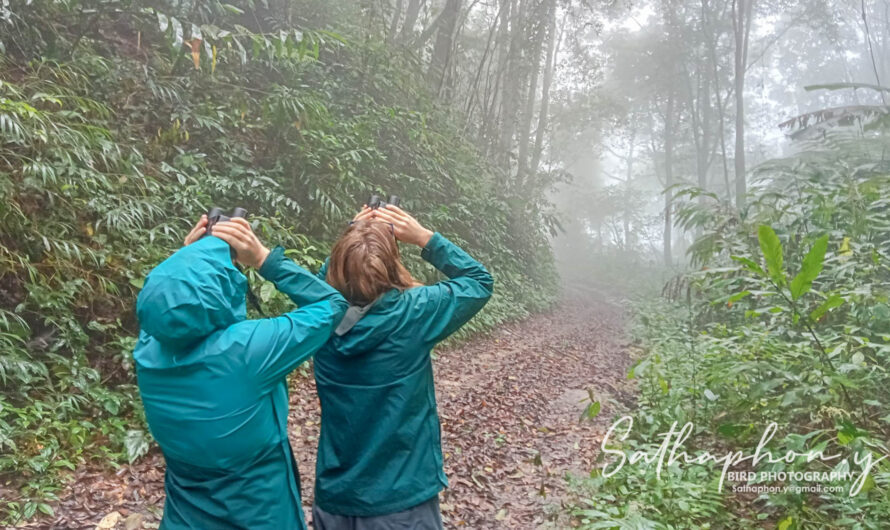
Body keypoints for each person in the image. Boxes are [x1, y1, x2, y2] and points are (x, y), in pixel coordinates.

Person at [133, 216, 347, 530]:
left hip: (184, 519)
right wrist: (263, 258)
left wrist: (189, 257)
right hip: (262, 516)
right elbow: (332, 303)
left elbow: (170, 306)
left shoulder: (148, 349)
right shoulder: (247, 350)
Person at [311, 204, 494, 529]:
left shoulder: (316, 317)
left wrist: (354, 236)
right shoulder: (415, 313)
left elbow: (318, 283)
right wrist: (424, 237)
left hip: (334, 501)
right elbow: (479, 282)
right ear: (392, 267)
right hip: (401, 504)